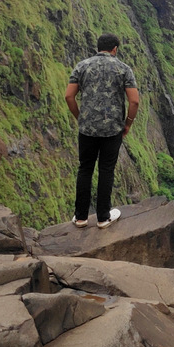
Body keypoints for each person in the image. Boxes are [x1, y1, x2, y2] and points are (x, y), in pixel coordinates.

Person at [65, 33, 139, 229]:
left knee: (85, 169)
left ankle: (80, 217)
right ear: (115, 49)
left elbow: (69, 96)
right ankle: (103, 218)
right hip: (112, 129)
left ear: (98, 48)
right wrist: (128, 123)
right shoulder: (123, 69)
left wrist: (79, 117)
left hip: (87, 128)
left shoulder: (82, 66)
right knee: (106, 170)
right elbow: (134, 101)